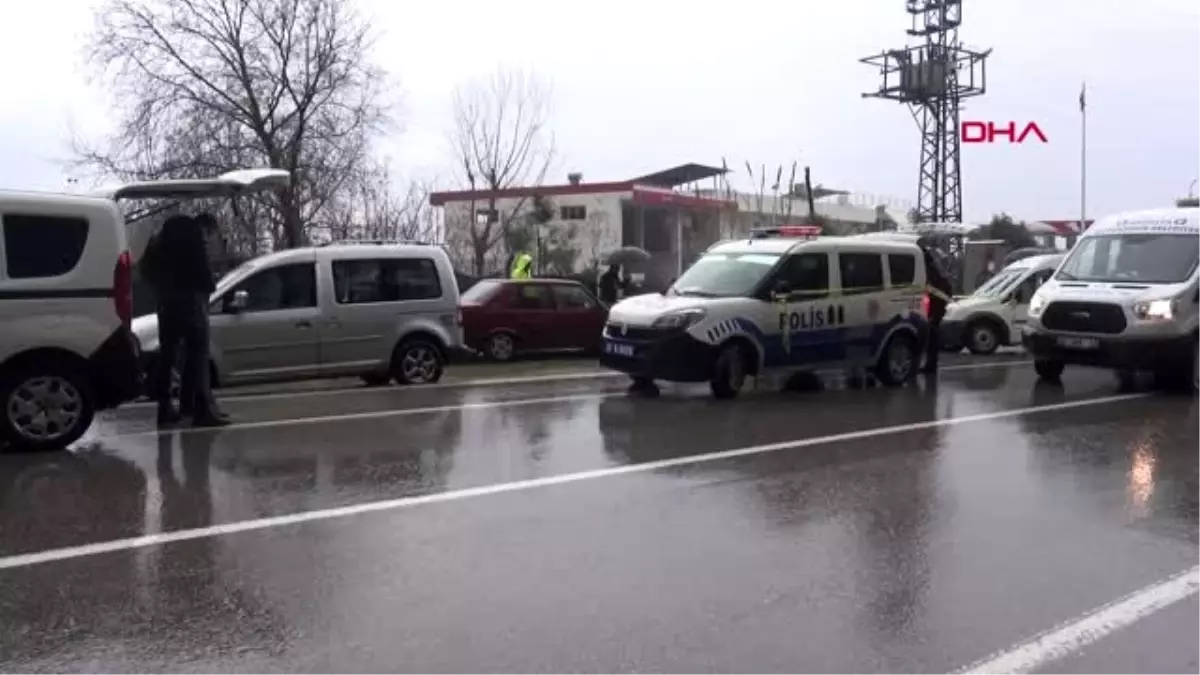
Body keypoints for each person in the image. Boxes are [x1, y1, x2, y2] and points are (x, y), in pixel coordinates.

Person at [147, 213, 229, 427]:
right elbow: (203, 273)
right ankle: (201, 409)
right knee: (198, 354)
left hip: (165, 303)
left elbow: (145, 269)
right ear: (207, 227)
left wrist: (164, 288)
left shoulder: (160, 237)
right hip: (192, 303)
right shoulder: (196, 235)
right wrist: (209, 285)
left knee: (168, 355)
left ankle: (165, 408)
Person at [921, 243, 954, 375]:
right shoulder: (935, 268)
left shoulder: (932, 270)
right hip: (936, 307)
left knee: (932, 337)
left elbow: (938, 290)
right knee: (931, 337)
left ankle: (931, 365)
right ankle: (931, 365)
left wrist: (935, 311)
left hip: (936, 308)